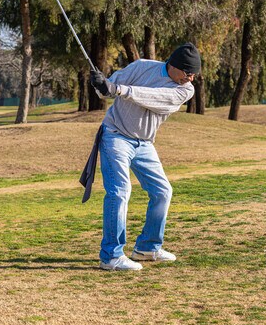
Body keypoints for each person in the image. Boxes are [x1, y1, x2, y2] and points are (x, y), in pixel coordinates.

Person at [86, 43, 200, 271]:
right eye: (187, 73)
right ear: (174, 66)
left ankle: (147, 247)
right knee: (120, 192)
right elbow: (106, 90)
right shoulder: (141, 67)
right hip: (116, 136)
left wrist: (119, 90)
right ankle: (111, 256)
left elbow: (154, 97)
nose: (190, 78)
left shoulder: (185, 90)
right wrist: (100, 84)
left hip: (144, 143)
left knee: (162, 191)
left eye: (194, 74)